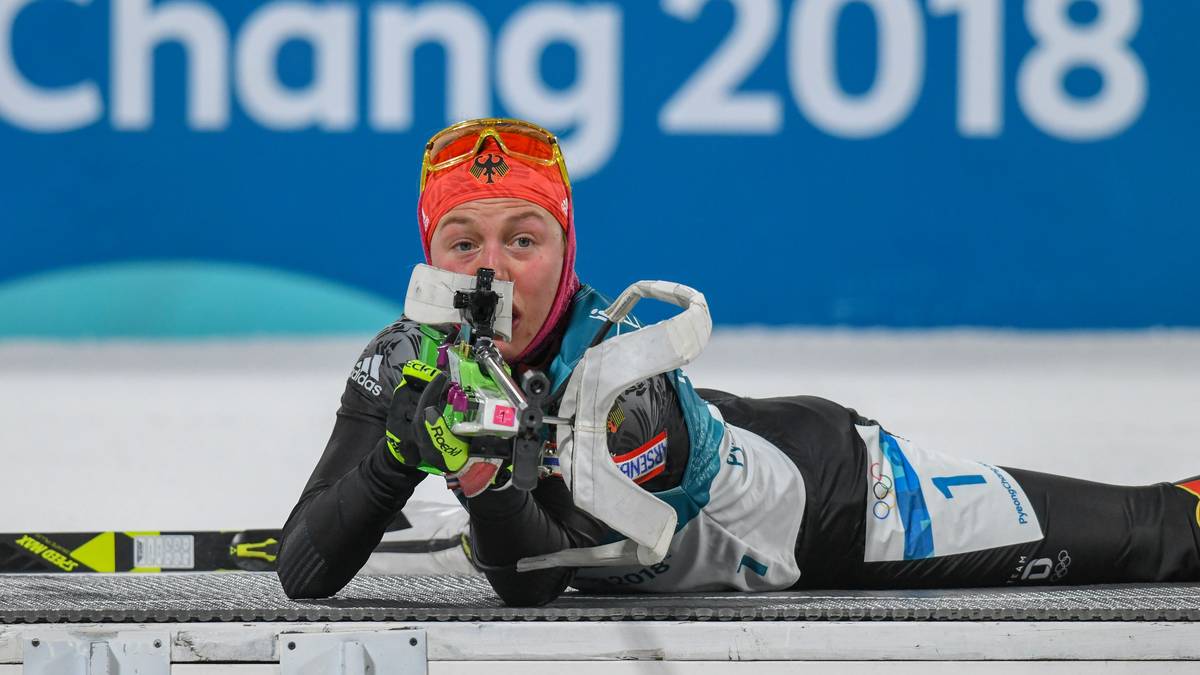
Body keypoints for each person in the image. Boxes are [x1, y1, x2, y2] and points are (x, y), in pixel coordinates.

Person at [277, 118, 1200, 606]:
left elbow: (534, 581)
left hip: (841, 502)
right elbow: (304, 567)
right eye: (462, 239)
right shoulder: (406, 358)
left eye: (525, 238)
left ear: (567, 250)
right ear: (426, 253)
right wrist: (396, 454)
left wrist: (478, 473)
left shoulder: (627, 381)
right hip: (724, 487)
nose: (491, 269)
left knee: (1146, 532)